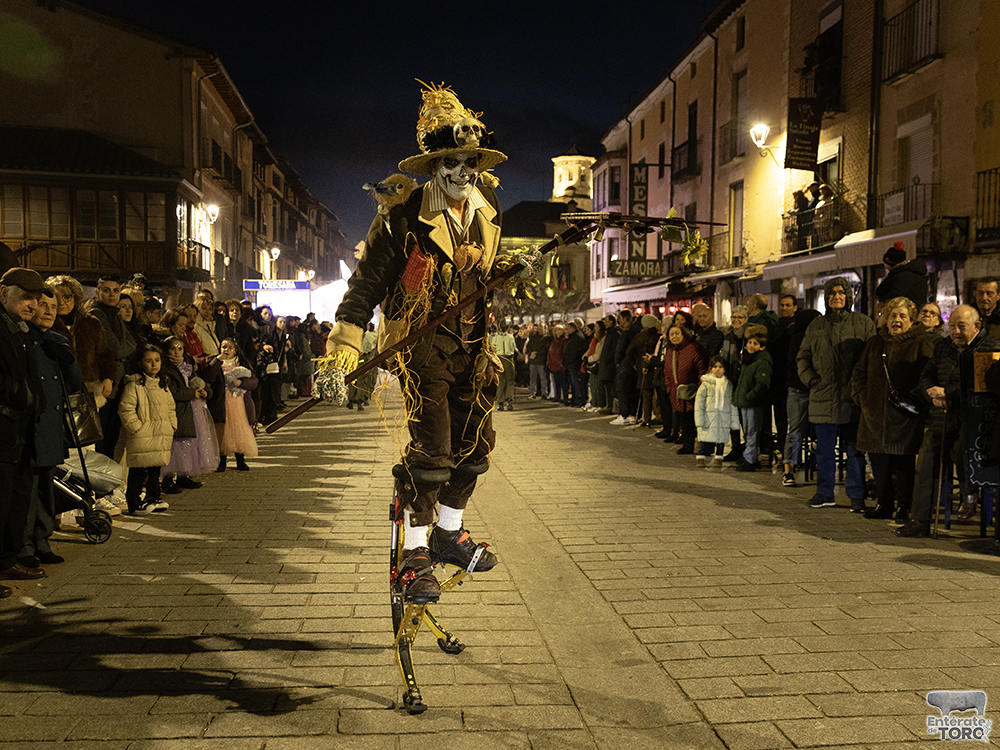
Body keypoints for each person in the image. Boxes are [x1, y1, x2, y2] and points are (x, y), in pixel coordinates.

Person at [323, 82, 508, 603]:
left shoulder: (488, 202)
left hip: (475, 348)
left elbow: (486, 271)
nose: (461, 171)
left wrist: (512, 266)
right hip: (423, 347)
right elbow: (367, 285)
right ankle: (415, 556)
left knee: (475, 447)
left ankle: (449, 533)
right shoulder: (403, 214)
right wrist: (345, 345)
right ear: (432, 164)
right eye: (450, 160)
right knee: (433, 453)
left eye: (469, 159)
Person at [897, 306, 998, 536]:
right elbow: (926, 375)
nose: (956, 331)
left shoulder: (991, 347)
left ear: (976, 326)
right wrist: (932, 394)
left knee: (961, 450)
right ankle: (919, 519)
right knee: (925, 460)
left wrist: (948, 393)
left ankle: (968, 492)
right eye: (952, 326)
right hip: (941, 417)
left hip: (975, 421)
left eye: (961, 326)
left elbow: (980, 382)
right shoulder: (943, 347)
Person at [851, 297, 934, 520]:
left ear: (911, 320)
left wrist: (914, 398)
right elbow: (859, 371)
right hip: (873, 414)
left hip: (904, 415)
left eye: (902, 316)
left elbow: (927, 375)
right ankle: (884, 503)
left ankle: (903, 506)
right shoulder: (875, 343)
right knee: (878, 461)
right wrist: (861, 396)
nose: (896, 320)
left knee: (903, 462)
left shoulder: (921, 343)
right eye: (893, 316)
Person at [796, 277, 876, 510]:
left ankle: (856, 496)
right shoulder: (816, 326)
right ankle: (824, 493)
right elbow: (802, 358)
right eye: (832, 293)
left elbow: (872, 357)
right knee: (824, 452)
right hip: (823, 397)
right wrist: (810, 379)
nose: (836, 297)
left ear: (848, 296)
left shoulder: (863, 323)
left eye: (841, 292)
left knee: (855, 451)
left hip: (853, 399)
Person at [21, 285, 84, 567]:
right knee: (28, 488)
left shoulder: (58, 340)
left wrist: (67, 359)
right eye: (43, 305)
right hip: (29, 424)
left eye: (53, 306)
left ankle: (42, 539)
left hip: (51, 425)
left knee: (46, 484)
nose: (48, 311)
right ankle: (23, 546)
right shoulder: (22, 339)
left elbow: (74, 383)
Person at [0, 268, 48, 591]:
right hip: (3, 426)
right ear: (3, 293)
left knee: (15, 497)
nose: (32, 304)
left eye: (35, 298)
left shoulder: (23, 330)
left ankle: (7, 559)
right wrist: (19, 394)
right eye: (25, 296)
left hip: (21, 430)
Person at [118, 344, 176, 515]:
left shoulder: (162, 384)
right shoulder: (134, 385)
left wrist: (172, 425)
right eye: (149, 361)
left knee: (155, 467)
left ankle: (153, 497)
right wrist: (137, 428)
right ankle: (134, 503)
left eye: (157, 360)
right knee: (137, 470)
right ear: (140, 363)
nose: (154, 364)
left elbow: (170, 407)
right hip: (142, 435)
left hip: (160, 433)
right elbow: (126, 408)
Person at [160, 337, 218, 493]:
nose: (177, 352)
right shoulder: (166, 369)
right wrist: (192, 393)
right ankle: (168, 477)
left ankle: (183, 474)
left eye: (180, 349)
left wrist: (205, 391)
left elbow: (198, 382)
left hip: (192, 409)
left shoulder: (186, 367)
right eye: (173, 349)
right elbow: (172, 391)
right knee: (176, 444)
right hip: (178, 409)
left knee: (188, 442)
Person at [88, 274, 136, 457]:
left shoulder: (114, 314)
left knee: (112, 437)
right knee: (102, 436)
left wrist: (124, 347)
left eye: (116, 291)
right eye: (106, 291)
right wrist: (124, 348)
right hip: (104, 383)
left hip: (117, 381)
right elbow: (116, 349)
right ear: (97, 292)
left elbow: (132, 343)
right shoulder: (97, 314)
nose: (112, 295)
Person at [780, 308, 822, 487]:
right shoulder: (799, 338)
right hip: (800, 389)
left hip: (806, 389)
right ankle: (789, 469)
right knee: (796, 430)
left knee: (797, 431)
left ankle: (790, 469)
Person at [205, 338, 258, 472]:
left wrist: (241, 382)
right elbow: (208, 377)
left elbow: (254, 381)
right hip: (221, 402)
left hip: (238, 402)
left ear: (236, 350)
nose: (226, 350)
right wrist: (216, 360)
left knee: (238, 429)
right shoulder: (216, 363)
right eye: (223, 347)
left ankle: (240, 458)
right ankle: (221, 460)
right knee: (222, 431)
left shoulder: (241, 364)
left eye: (229, 347)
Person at [662, 322, 708, 454]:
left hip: (694, 392)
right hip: (678, 393)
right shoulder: (671, 351)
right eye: (671, 334)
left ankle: (705, 447)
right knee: (685, 421)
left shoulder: (694, 348)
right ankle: (688, 445)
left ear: (683, 334)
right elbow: (667, 371)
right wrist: (670, 388)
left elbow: (702, 369)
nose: (674, 336)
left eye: (677, 333)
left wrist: (700, 389)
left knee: (698, 421)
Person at [734, 325, 772, 471]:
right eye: (750, 342)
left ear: (762, 347)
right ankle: (752, 457)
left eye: (755, 344)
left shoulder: (761, 362)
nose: (751, 346)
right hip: (745, 401)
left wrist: (750, 396)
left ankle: (750, 460)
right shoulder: (747, 360)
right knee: (748, 431)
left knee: (752, 432)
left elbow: (762, 383)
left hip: (753, 403)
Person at [695, 355, 739, 468]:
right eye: (715, 367)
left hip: (723, 417)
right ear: (710, 369)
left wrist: (734, 421)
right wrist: (699, 419)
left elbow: (731, 403)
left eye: (720, 366)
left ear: (724, 369)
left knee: (721, 437)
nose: (717, 369)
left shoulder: (727, 385)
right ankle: (701, 456)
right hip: (708, 417)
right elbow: (699, 403)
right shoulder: (705, 384)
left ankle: (719, 457)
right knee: (704, 437)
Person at [721, 305, 749, 460]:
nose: (736, 320)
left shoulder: (747, 335)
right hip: (730, 380)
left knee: (744, 417)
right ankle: (736, 447)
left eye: (740, 317)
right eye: (734, 317)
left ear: (746, 319)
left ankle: (747, 449)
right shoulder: (729, 336)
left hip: (742, 381)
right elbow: (725, 357)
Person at [874, 241, 928, 314]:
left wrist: (884, 300)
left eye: (885, 262)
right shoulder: (902, 274)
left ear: (891, 263)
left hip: (907, 314)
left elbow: (895, 294)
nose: (884, 265)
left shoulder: (904, 276)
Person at [491, 321, 517, 411]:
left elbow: (492, 347)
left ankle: (500, 402)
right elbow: (513, 347)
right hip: (509, 359)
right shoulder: (510, 337)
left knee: (501, 380)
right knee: (510, 381)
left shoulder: (495, 337)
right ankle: (509, 400)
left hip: (499, 359)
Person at [547, 324, 569, 405]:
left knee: (563, 382)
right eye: (555, 330)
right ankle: (558, 397)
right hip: (554, 364)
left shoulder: (564, 340)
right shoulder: (554, 341)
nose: (557, 332)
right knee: (557, 382)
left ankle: (565, 398)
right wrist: (549, 362)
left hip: (560, 364)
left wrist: (561, 362)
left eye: (559, 330)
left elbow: (564, 353)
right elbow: (550, 352)